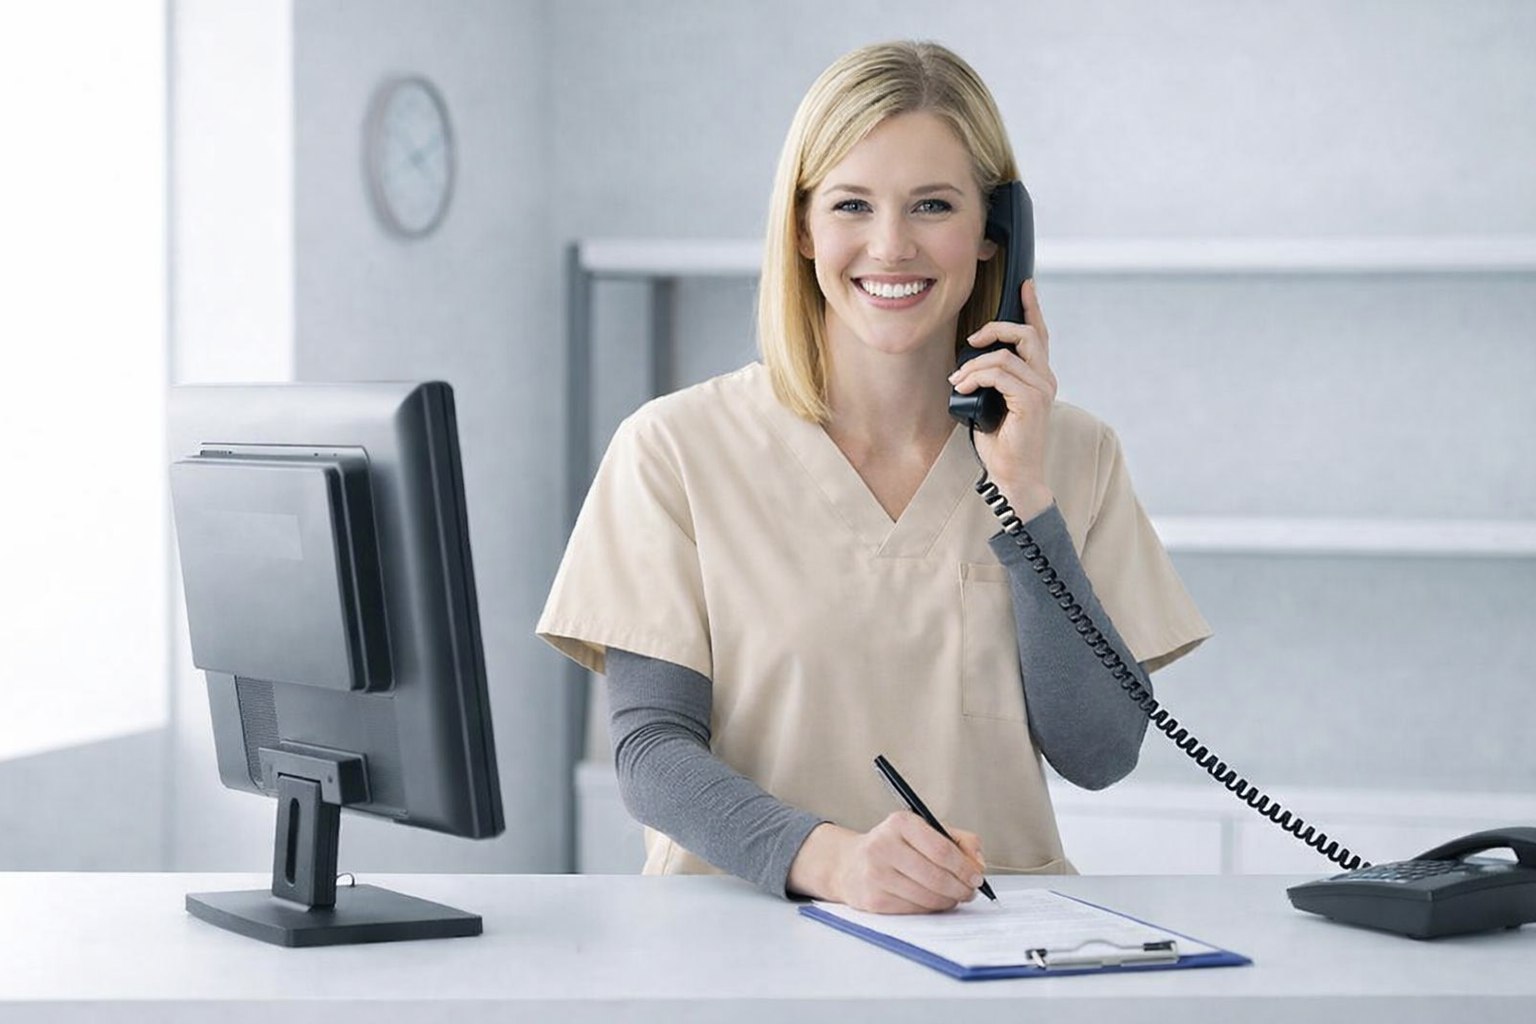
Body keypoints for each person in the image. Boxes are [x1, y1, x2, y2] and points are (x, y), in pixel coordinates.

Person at [537, 40, 1210, 914]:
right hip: (739, 951)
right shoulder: (672, 449)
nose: (891, 247)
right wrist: (829, 860)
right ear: (804, 228)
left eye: (933, 205)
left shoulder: (1074, 457)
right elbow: (650, 751)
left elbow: (1100, 752)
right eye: (852, 204)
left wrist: (1026, 503)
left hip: (991, 952)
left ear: (993, 232)